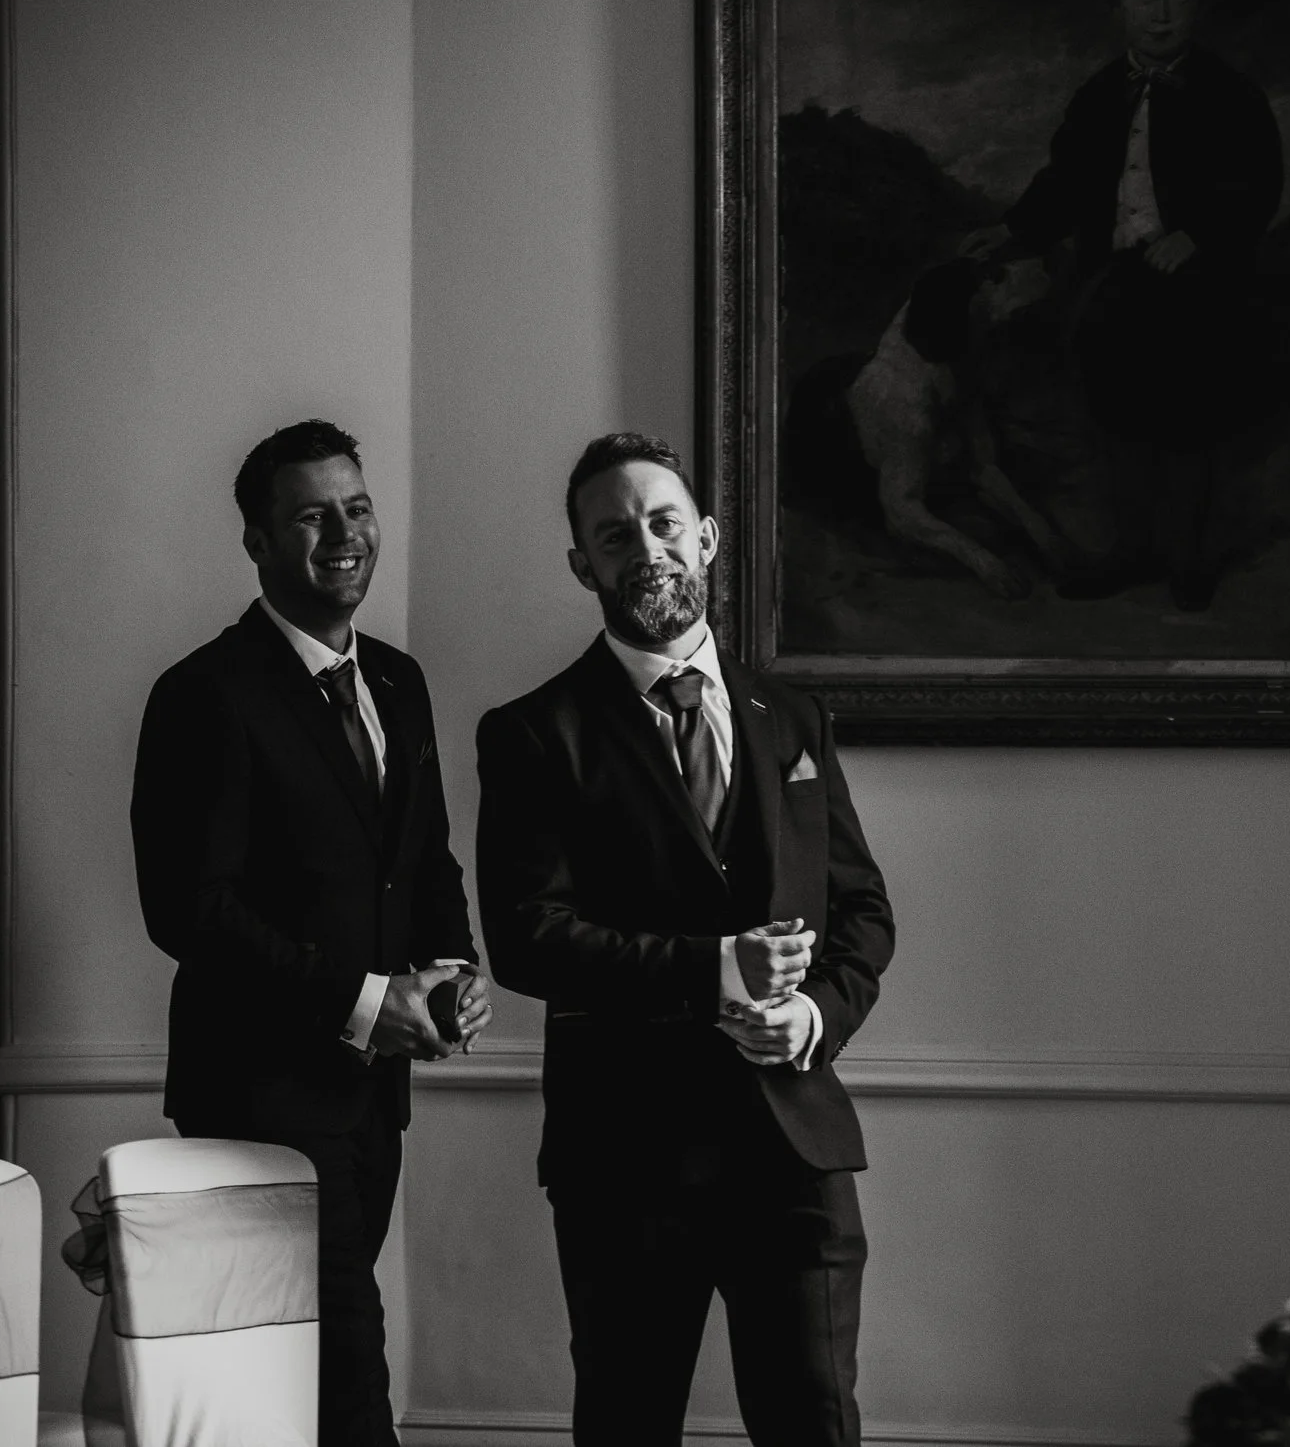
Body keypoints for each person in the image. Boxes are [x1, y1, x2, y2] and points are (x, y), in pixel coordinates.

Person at [475, 433, 893, 1447]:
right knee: (627, 1423)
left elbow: (864, 914)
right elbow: (528, 938)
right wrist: (713, 973)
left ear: (704, 538)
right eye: (614, 534)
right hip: (625, 1155)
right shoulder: (533, 732)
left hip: (794, 1146)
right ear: (584, 565)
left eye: (664, 523)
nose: (645, 548)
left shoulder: (794, 718)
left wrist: (805, 1015)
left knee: (816, 1426)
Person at [131, 418, 491, 1447]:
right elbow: (188, 910)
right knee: (346, 1388)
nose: (345, 532)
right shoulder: (203, 695)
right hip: (257, 1095)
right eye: (311, 514)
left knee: (301, 1381)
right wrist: (365, 1001)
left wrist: (452, 973)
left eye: (358, 506)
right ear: (256, 540)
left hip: (373, 1106)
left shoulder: (400, 682)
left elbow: (425, 863)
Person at [1001, 0, 1285, 610]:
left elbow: (1258, 180)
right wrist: (1012, 232)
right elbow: (1066, 180)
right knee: (1116, 412)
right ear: (1119, 3)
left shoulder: (1230, 94)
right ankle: (1131, 549)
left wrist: (1200, 235)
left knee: (1185, 414)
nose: (1160, 13)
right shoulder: (1100, 94)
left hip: (1196, 285)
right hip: (1114, 282)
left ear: (1200, 3)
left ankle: (1187, 557)